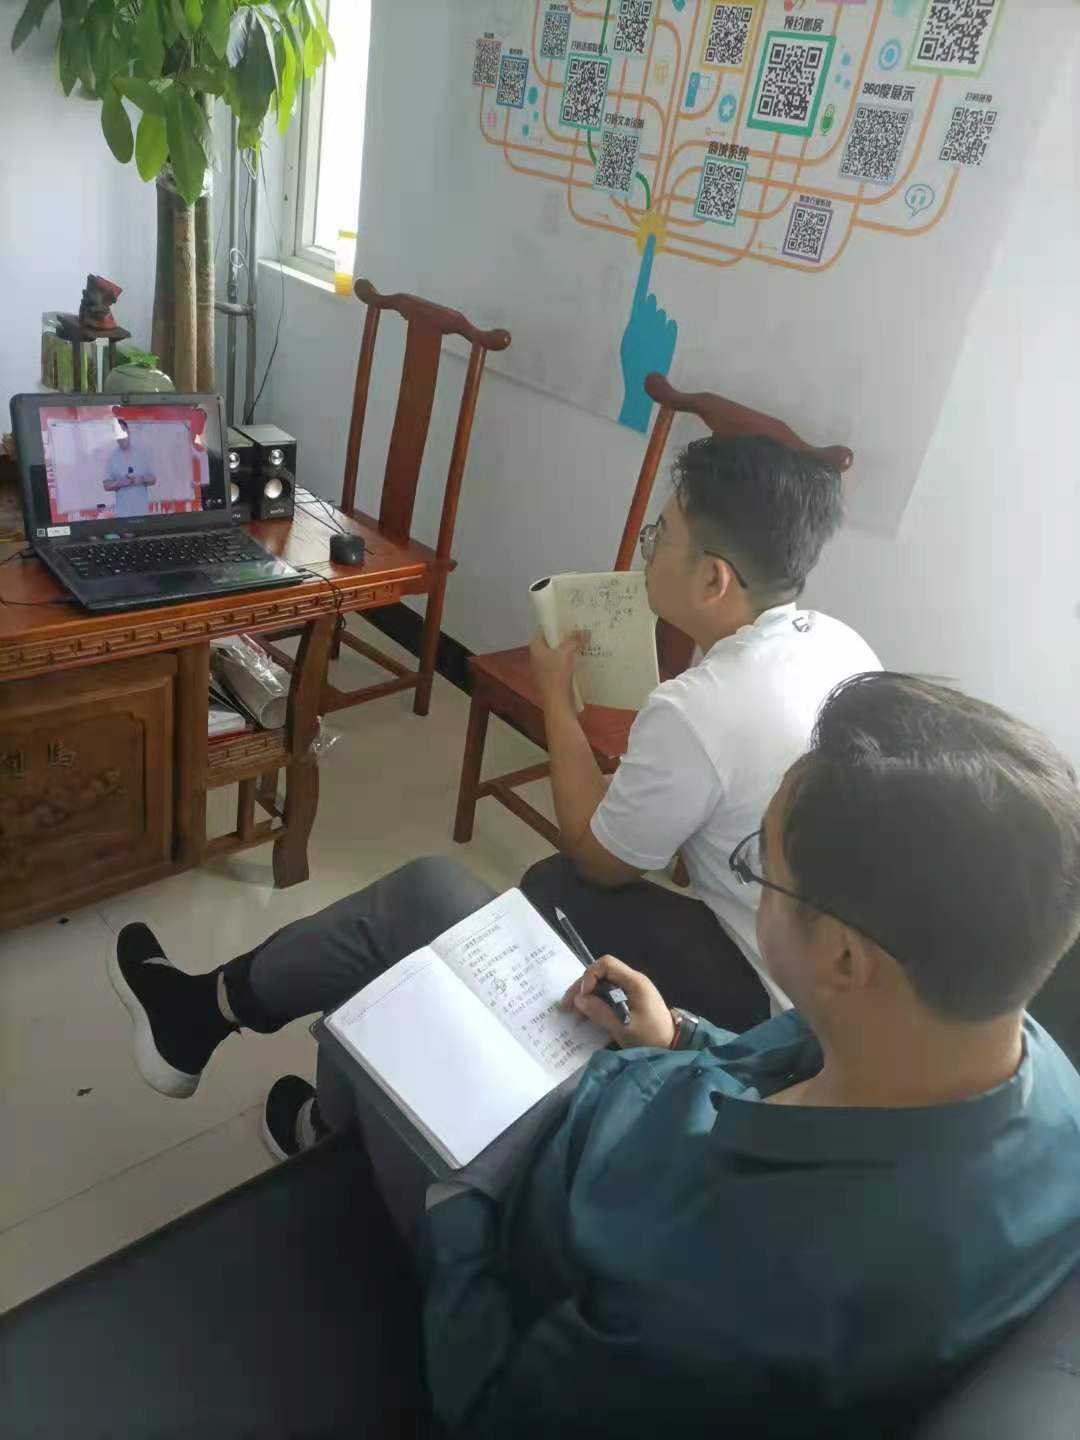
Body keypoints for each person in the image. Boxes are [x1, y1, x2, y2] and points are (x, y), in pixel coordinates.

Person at [109, 674, 1080, 1436]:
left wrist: (457, 1206)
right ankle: (228, 1038)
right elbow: (788, 1071)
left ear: (844, 959)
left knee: (388, 1015)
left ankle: (313, 1106)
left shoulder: (736, 1281)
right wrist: (681, 1037)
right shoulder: (1008, 1054)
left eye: (761, 870)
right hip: (630, 1119)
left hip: (521, 1213)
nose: (750, 883)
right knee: (429, 897)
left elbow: (496, 1406)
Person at [523, 434, 880, 1029]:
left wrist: (556, 698)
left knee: (555, 887)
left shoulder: (695, 708)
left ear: (713, 579)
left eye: (659, 536)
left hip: (778, 1008)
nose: (646, 552)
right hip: (853, 982)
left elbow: (597, 860)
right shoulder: (841, 641)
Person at [102, 418, 157, 518]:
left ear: (128, 431)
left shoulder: (142, 454)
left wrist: (142, 479)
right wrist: (119, 483)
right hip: (123, 515)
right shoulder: (111, 459)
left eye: (123, 431)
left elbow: (153, 479)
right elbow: (106, 485)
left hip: (142, 513)